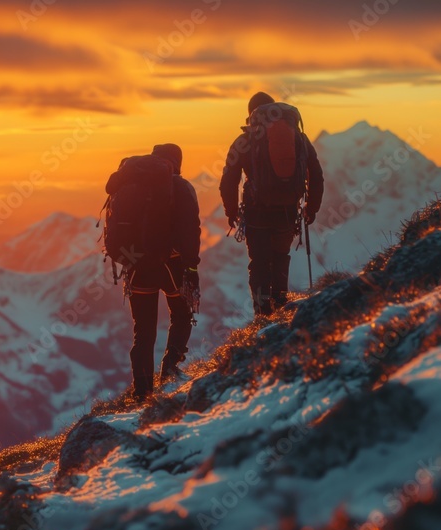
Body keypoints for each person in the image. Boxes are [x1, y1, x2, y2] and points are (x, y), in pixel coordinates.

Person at [106, 144, 202, 400]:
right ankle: (170, 371)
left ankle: (143, 390)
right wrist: (192, 267)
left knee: (143, 330)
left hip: (137, 266)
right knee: (181, 315)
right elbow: (190, 230)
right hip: (172, 264)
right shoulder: (181, 188)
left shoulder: (130, 186)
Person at [220, 91, 324, 316]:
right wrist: (311, 208)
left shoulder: (245, 140)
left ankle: (262, 311)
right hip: (287, 210)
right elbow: (316, 173)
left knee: (259, 261)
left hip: (256, 212)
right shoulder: (297, 136)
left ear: (251, 114)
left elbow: (228, 180)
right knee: (280, 256)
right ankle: (281, 304)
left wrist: (231, 211)